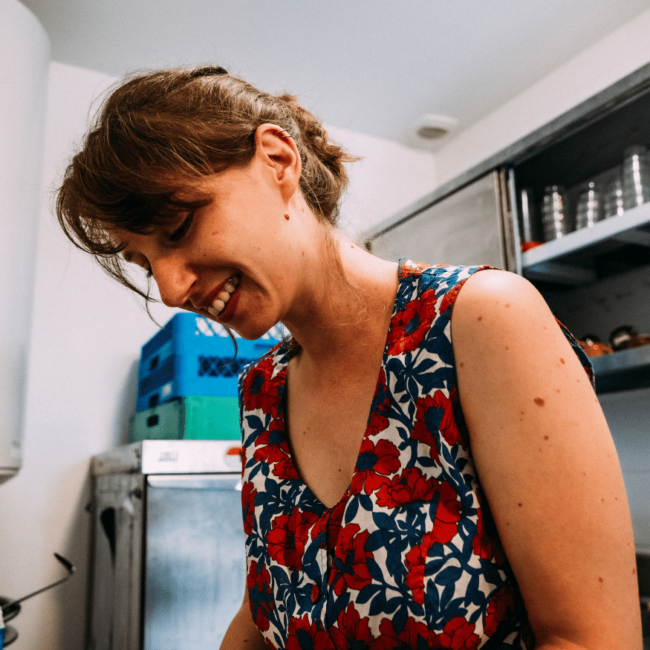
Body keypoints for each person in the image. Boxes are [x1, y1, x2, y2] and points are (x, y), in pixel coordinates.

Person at [56, 66, 642, 649]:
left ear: (278, 161)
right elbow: (268, 605)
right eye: (145, 264)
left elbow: (590, 640)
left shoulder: (477, 319)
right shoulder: (262, 391)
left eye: (179, 227)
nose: (170, 289)